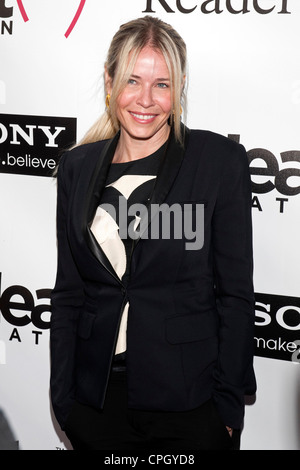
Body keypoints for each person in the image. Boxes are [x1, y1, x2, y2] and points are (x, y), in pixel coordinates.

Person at [50, 15, 256, 451]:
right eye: (132, 81)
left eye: (162, 84)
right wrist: (65, 402)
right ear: (109, 82)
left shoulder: (218, 162)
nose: (146, 99)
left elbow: (236, 295)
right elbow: (69, 292)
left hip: (190, 405)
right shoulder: (76, 167)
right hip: (97, 405)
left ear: (179, 88)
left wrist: (225, 412)